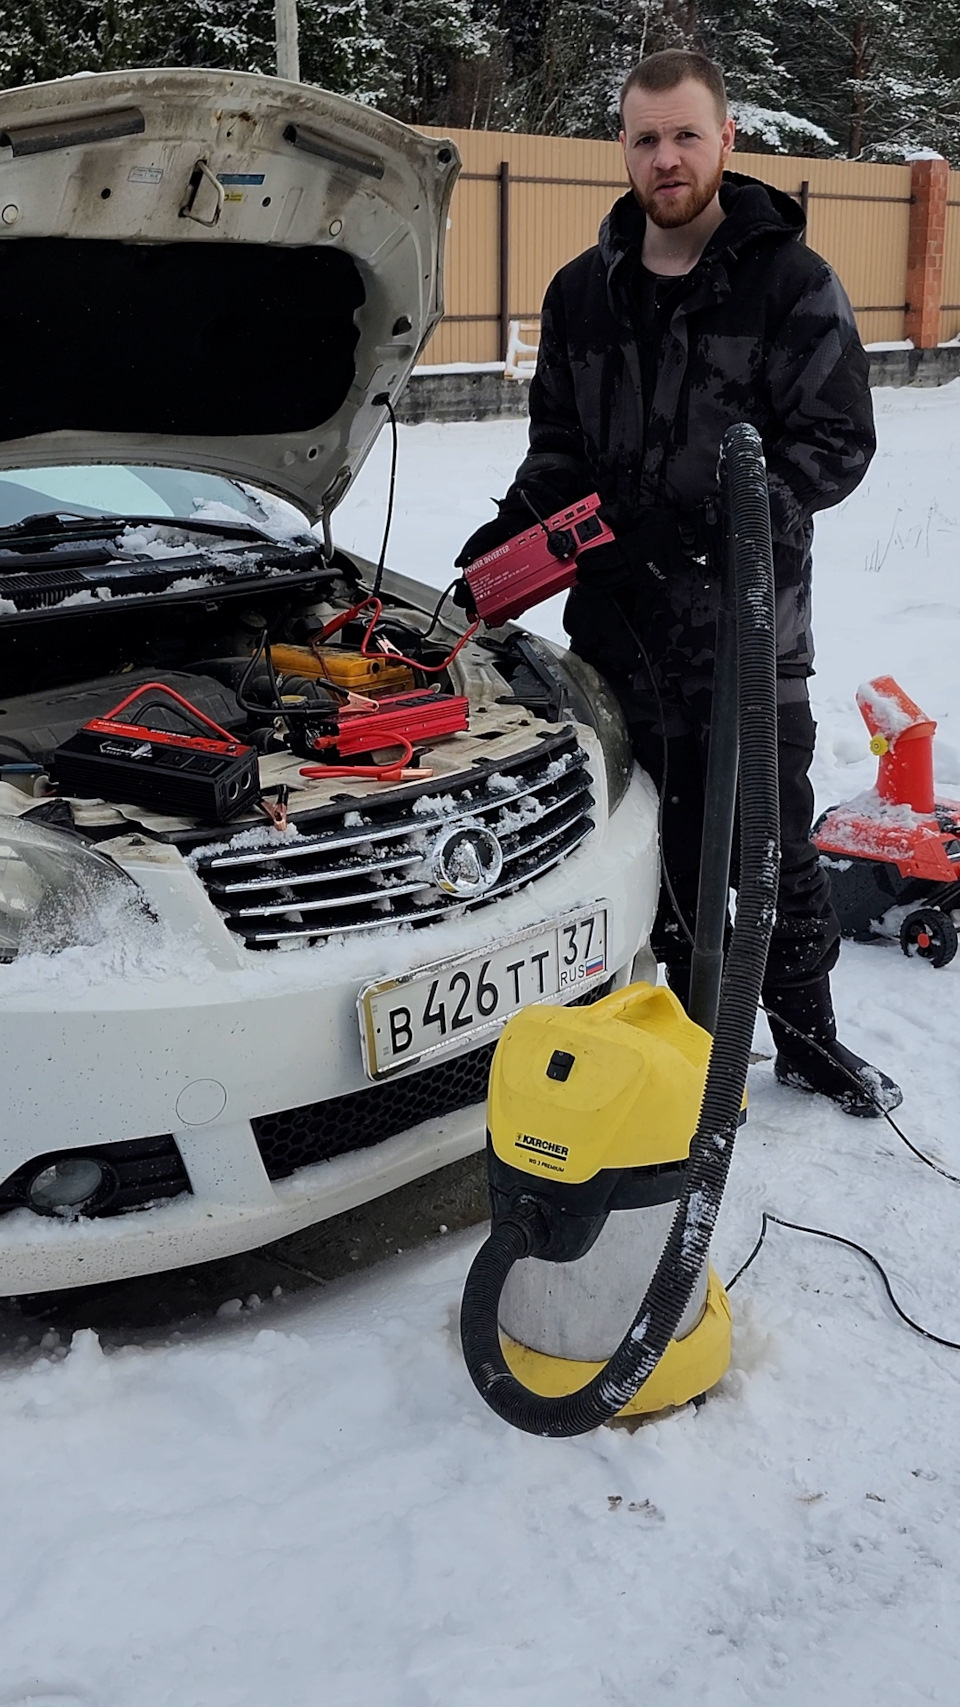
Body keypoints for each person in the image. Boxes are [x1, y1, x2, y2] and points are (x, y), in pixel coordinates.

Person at [455, 47, 902, 1117]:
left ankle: (806, 1034)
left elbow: (836, 446)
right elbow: (559, 444)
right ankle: (673, 1039)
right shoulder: (581, 292)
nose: (666, 157)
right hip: (615, 634)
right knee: (645, 845)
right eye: (646, 137)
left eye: (685, 135)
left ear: (726, 141)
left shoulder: (790, 283)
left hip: (749, 633)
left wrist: (715, 530)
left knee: (771, 848)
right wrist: (519, 532)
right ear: (623, 146)